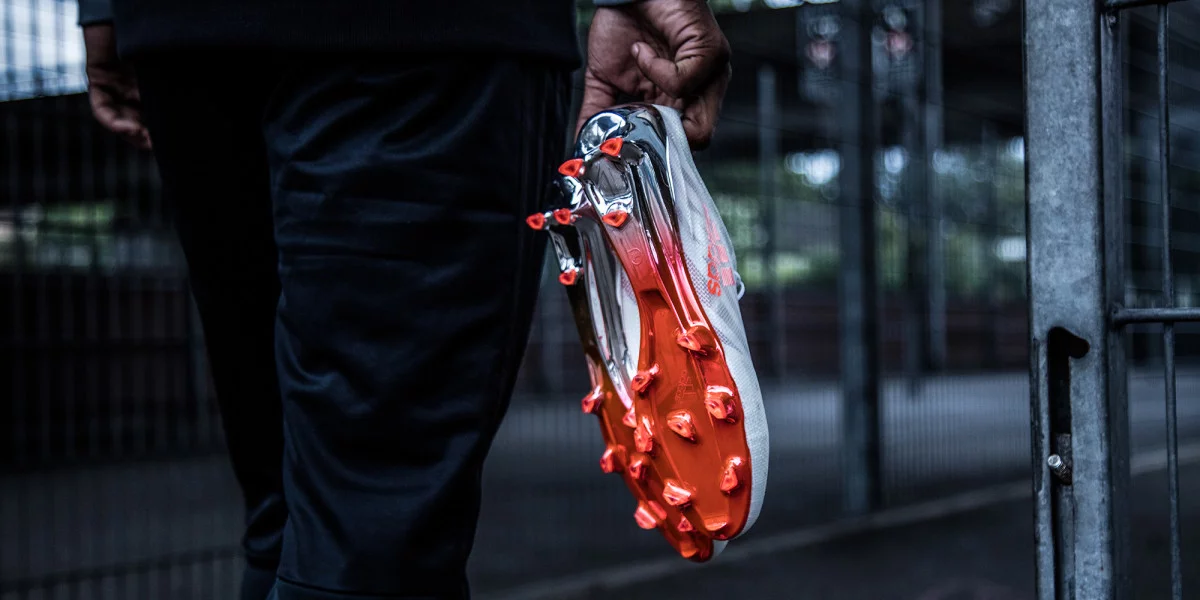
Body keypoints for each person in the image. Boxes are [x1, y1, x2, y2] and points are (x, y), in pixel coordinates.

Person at [76, 0, 731, 598]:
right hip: (431, 40)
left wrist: (103, 10)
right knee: (371, 527)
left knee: (286, 508)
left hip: (182, 36)